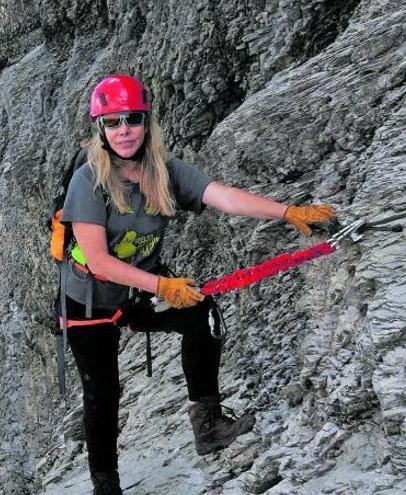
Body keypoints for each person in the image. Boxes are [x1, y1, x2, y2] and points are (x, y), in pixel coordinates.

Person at [59, 74, 335, 495]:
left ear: (146, 121)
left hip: (137, 292)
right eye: (113, 122)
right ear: (100, 128)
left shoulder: (163, 171)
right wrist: (164, 286)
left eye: (132, 119)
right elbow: (98, 260)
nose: (124, 131)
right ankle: (105, 485)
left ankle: (207, 424)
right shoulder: (88, 181)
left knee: (201, 315)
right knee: (104, 393)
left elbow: (221, 196)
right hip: (88, 301)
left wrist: (288, 212)